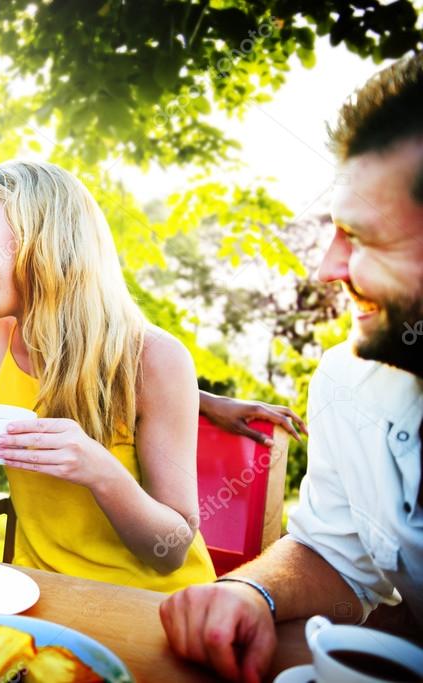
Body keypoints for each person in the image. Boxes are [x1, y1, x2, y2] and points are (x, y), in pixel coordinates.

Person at [159, 52, 423, 682]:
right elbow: (333, 553)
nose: (327, 268)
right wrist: (251, 593)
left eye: (366, 238)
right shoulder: (348, 380)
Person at [0, 160, 218, 590]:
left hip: (150, 607)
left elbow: (172, 551)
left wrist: (99, 471)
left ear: (42, 239)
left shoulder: (155, 359)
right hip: (34, 595)